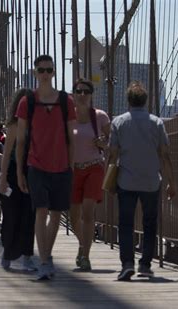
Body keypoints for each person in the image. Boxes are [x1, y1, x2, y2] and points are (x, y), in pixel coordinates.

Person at [16, 55, 76, 280]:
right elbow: (21, 140)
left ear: (53, 72)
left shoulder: (65, 101)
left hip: (61, 167)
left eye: (49, 70)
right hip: (36, 165)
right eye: (41, 70)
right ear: (35, 73)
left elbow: (72, 136)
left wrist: (71, 167)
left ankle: (46, 255)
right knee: (41, 211)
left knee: (56, 213)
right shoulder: (27, 102)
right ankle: (43, 261)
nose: (45, 74)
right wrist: (20, 171)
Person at [108, 81, 175, 281]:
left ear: (128, 100)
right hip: (151, 182)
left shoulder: (118, 122)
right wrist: (172, 182)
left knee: (126, 223)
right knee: (149, 223)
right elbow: (165, 155)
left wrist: (108, 180)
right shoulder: (157, 123)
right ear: (145, 101)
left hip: (126, 181)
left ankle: (127, 263)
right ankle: (145, 265)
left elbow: (112, 154)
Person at [69, 78, 110, 271]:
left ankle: (85, 255)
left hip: (94, 167)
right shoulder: (67, 118)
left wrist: (104, 144)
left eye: (86, 91)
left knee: (87, 211)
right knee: (73, 217)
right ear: (74, 94)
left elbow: (112, 142)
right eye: (79, 91)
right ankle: (82, 244)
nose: (82, 94)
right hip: (73, 170)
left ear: (91, 94)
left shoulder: (100, 117)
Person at [0, 89, 37, 271]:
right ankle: (7, 252)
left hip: (32, 172)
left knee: (29, 216)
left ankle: (27, 257)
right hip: (13, 173)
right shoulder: (14, 125)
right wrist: (3, 178)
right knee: (11, 215)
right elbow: (6, 154)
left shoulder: (38, 124)